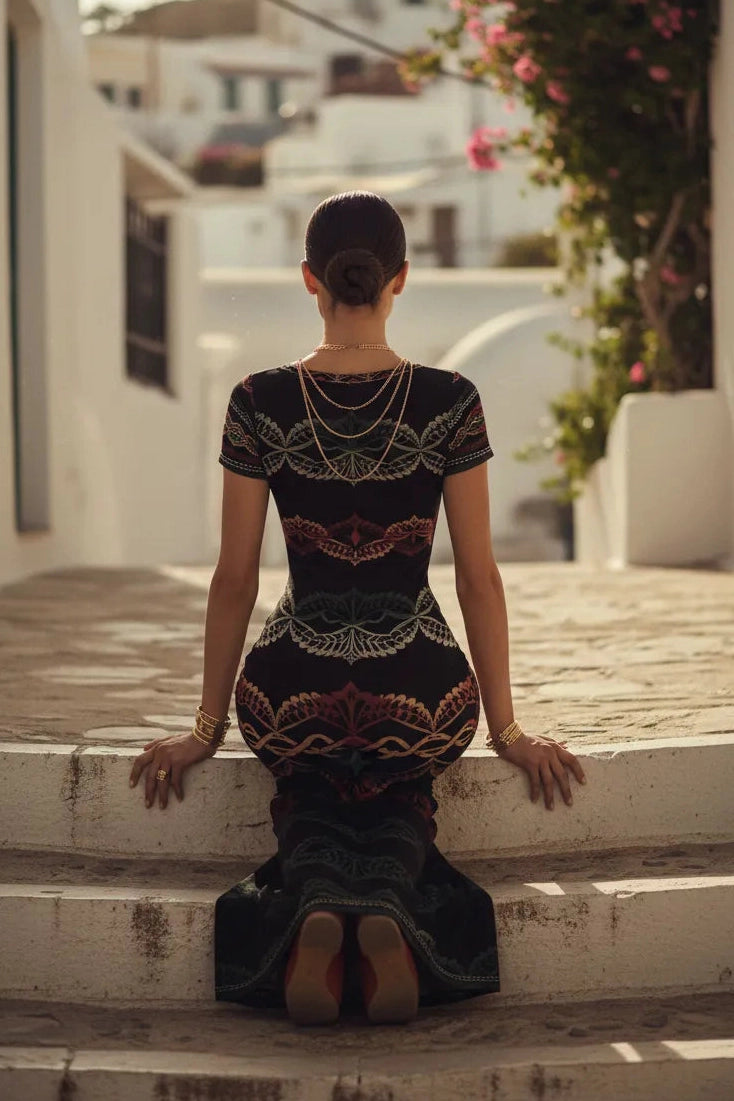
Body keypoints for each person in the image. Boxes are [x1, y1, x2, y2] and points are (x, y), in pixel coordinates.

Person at [130, 191, 586, 1026]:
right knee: (398, 776)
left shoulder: (258, 399)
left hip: (289, 679)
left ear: (309, 278)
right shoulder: (450, 399)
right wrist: (510, 730)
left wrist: (203, 727)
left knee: (310, 778)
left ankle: (315, 913)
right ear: (399, 279)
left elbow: (234, 576)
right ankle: (381, 911)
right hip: (418, 681)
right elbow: (479, 576)